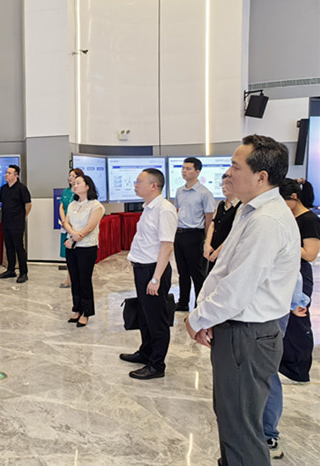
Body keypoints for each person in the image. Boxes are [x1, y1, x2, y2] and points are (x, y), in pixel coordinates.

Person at [186, 135, 300, 466]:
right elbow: (224, 270)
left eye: (236, 167)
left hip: (247, 335)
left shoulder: (266, 221)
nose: (228, 173)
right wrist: (207, 314)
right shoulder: (249, 212)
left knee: (241, 430)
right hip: (236, 329)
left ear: (261, 176)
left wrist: (197, 319)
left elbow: (237, 288)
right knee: (231, 417)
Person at [119, 168, 177, 380]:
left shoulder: (164, 210)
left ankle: (157, 364)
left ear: (154, 186)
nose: (135, 185)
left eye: (139, 182)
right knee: (144, 315)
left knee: (156, 319)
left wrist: (155, 278)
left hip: (154, 270)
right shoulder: (149, 207)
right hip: (142, 267)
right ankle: (146, 352)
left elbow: (167, 246)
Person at [262, 272, 310, 460]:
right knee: (264, 371)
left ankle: (267, 434)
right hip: (263, 311)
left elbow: (292, 273)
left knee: (267, 372)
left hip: (267, 314)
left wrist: (295, 301)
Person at [278, 178, 320, 383]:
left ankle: (299, 369)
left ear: (294, 197)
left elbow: (310, 254)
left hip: (300, 275)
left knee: (298, 321)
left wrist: (287, 243)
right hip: (285, 271)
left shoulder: (309, 219)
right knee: (285, 319)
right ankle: (284, 363)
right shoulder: (287, 216)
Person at [173, 157, 216, 311]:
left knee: (197, 273)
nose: (184, 171)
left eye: (188, 168)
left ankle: (200, 304)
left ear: (197, 172)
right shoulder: (179, 191)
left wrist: (206, 239)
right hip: (179, 234)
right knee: (182, 272)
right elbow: (177, 211)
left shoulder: (204, 193)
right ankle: (183, 303)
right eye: (183, 168)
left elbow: (209, 217)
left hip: (195, 235)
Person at [63, 174, 104, 327]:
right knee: (74, 279)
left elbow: (90, 227)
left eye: (78, 183)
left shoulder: (96, 206)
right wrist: (72, 235)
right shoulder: (72, 205)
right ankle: (77, 309)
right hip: (71, 246)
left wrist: (74, 237)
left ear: (87, 186)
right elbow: (66, 223)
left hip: (87, 247)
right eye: (74, 183)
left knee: (84, 280)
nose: (75, 185)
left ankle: (86, 312)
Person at [0, 164, 32, 283]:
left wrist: (22, 217)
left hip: (17, 223)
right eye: (6, 172)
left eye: (9, 173)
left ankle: (23, 272)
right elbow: (3, 204)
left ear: (16, 175)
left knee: (19, 247)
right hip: (6, 222)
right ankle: (10, 269)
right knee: (9, 246)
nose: (6, 175)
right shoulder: (3, 188)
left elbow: (28, 205)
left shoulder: (21, 188)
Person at [203, 174, 240, 269]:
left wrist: (218, 251)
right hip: (213, 249)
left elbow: (235, 233)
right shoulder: (221, 204)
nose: (223, 187)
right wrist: (207, 244)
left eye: (227, 184)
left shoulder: (240, 206)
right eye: (222, 184)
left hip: (228, 252)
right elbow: (213, 224)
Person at [58, 168, 84, 288]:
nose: (70, 178)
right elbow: (61, 207)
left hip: (76, 227)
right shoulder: (66, 191)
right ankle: (69, 278)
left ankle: (74, 278)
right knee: (67, 253)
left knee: (77, 253)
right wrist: (64, 221)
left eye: (73, 176)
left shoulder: (80, 193)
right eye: (69, 175)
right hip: (66, 226)